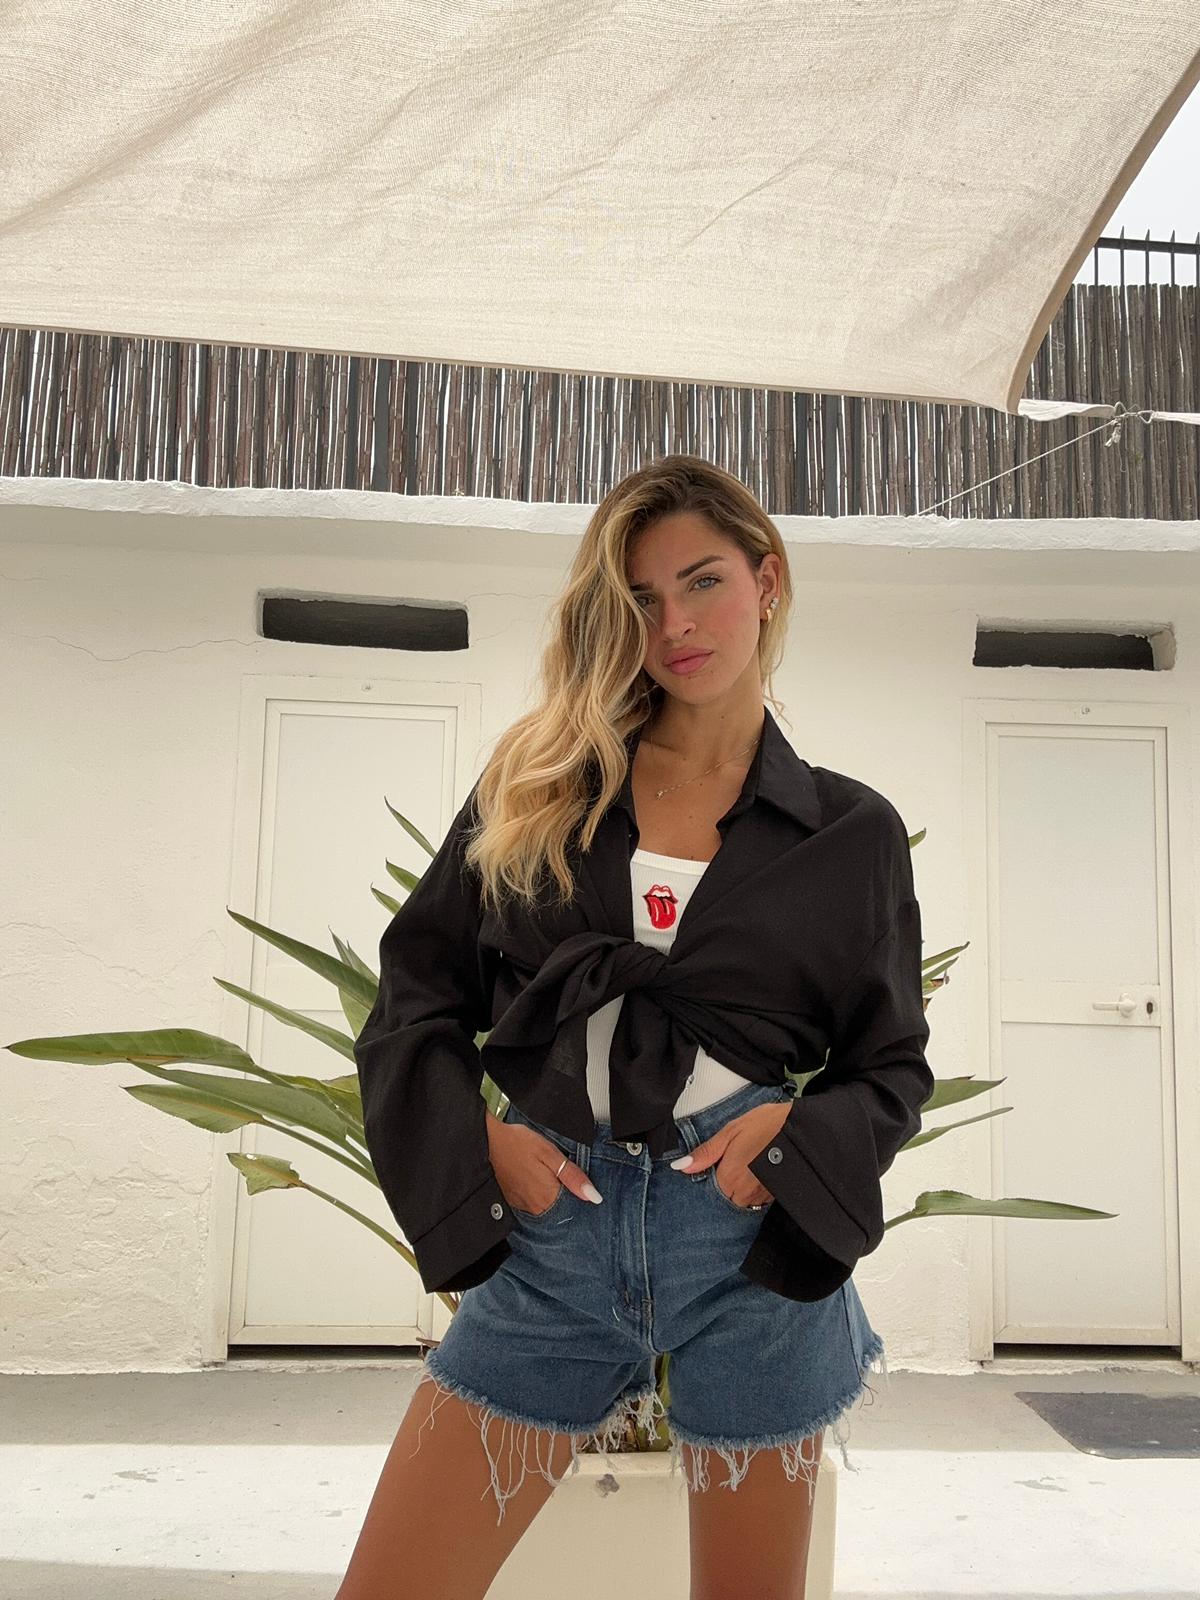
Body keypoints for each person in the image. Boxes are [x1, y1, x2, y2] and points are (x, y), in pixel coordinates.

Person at [337, 454, 933, 1600]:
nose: (676, 625)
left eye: (703, 582)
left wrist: (797, 1140)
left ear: (767, 581)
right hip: (558, 1230)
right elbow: (418, 988)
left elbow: (891, 1062)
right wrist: (479, 1142)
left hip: (751, 1243)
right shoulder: (543, 783)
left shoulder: (851, 831)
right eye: (643, 599)